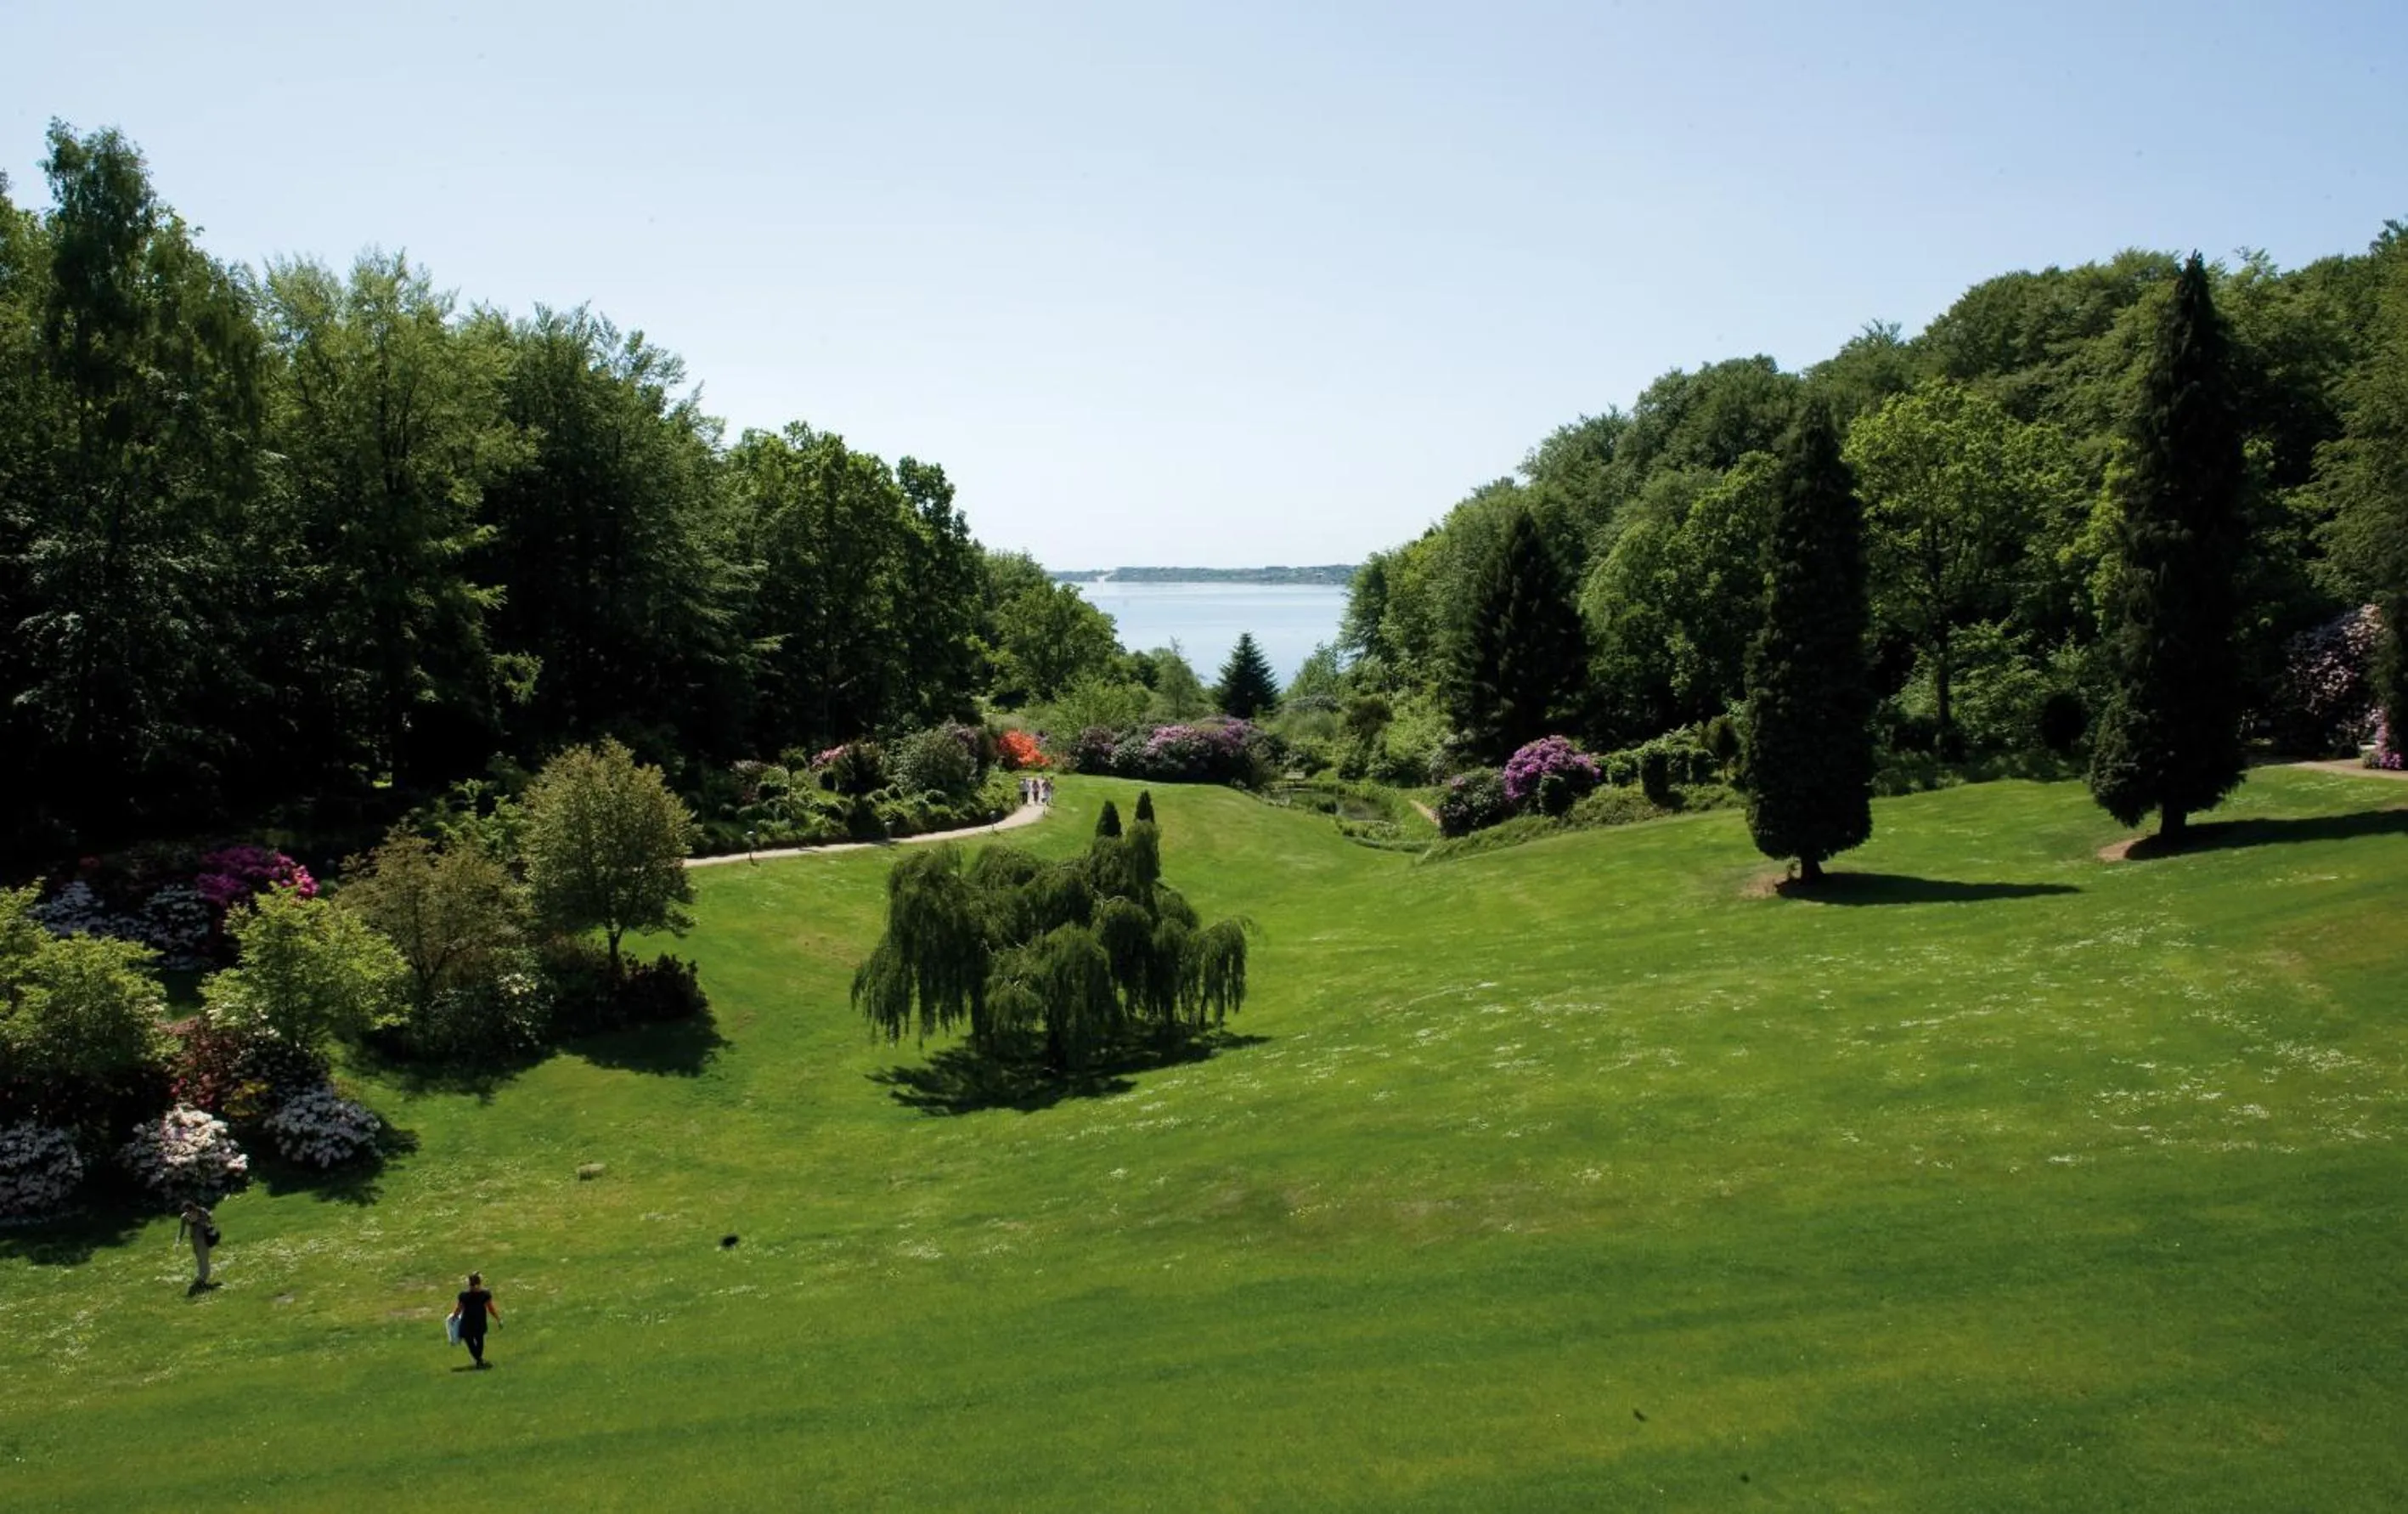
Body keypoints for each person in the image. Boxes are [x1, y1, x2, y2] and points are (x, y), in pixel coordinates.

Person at [450, 1272, 501, 1368]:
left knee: (471, 1342)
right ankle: (480, 1361)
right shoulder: (485, 1294)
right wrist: (498, 1319)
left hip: (468, 1323)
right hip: (478, 1322)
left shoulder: (464, 1295)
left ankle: (479, 1361)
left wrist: (454, 1318)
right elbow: (491, 1308)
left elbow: (459, 1308)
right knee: (479, 1341)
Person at [176, 1200, 217, 1288]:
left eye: (189, 1211)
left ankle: (203, 1279)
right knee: (199, 1258)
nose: (188, 1213)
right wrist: (178, 1241)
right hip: (194, 1239)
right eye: (186, 1211)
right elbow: (181, 1230)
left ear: (193, 1208)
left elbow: (211, 1222)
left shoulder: (202, 1212)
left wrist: (204, 1222)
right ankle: (201, 1277)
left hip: (204, 1237)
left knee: (204, 1258)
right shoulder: (184, 1217)